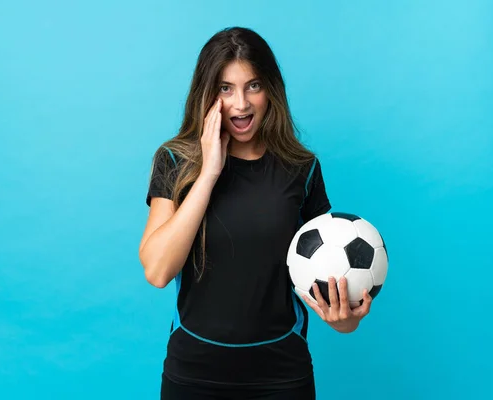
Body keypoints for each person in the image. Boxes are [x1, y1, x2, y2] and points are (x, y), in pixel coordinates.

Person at [139, 26, 373, 400]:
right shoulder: (174, 161)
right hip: (193, 375)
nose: (241, 104)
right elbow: (157, 270)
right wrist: (209, 173)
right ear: (207, 93)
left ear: (271, 91)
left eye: (253, 86)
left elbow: (327, 283)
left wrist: (346, 321)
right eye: (225, 88)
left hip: (282, 376)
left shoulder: (302, 168)